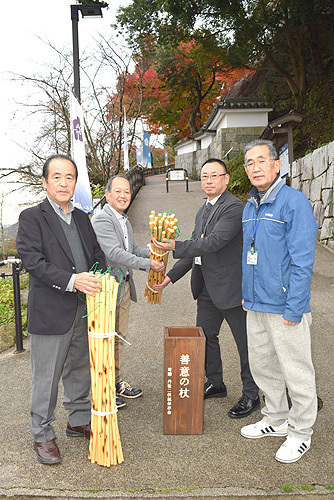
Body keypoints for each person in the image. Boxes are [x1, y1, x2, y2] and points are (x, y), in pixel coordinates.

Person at [16, 154, 106, 465]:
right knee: (47, 376)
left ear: (75, 182)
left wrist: (101, 277)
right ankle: (41, 433)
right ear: (45, 182)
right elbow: (33, 262)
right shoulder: (31, 217)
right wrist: (72, 280)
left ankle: (77, 419)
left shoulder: (82, 217)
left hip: (84, 308)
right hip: (52, 310)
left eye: (69, 177)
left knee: (79, 369)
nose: (63, 182)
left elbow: (95, 253)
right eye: (57, 177)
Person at [153, 158, 259, 418]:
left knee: (245, 344)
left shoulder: (235, 208)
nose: (209, 181)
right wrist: (170, 277)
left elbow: (212, 242)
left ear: (226, 179)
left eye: (214, 176)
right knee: (206, 336)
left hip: (232, 289)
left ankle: (251, 394)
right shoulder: (204, 209)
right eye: (204, 177)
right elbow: (195, 246)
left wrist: (174, 246)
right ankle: (216, 382)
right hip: (207, 289)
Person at [240, 139, 318, 463]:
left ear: (276, 165)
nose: (255, 167)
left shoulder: (293, 203)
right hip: (255, 305)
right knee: (264, 368)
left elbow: (303, 261)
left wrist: (295, 308)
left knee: (296, 372)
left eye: (261, 161)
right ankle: (276, 419)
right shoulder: (249, 206)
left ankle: (301, 432)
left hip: (286, 308)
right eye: (249, 163)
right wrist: (247, 295)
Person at [91, 175, 164, 407]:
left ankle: (117, 382)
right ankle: (104, 390)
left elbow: (132, 249)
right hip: (106, 290)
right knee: (106, 339)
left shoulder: (124, 219)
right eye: (118, 191)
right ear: (107, 194)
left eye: (127, 192)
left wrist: (155, 251)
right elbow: (113, 253)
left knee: (118, 338)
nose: (123, 196)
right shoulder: (102, 219)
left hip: (121, 286)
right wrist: (147, 264)